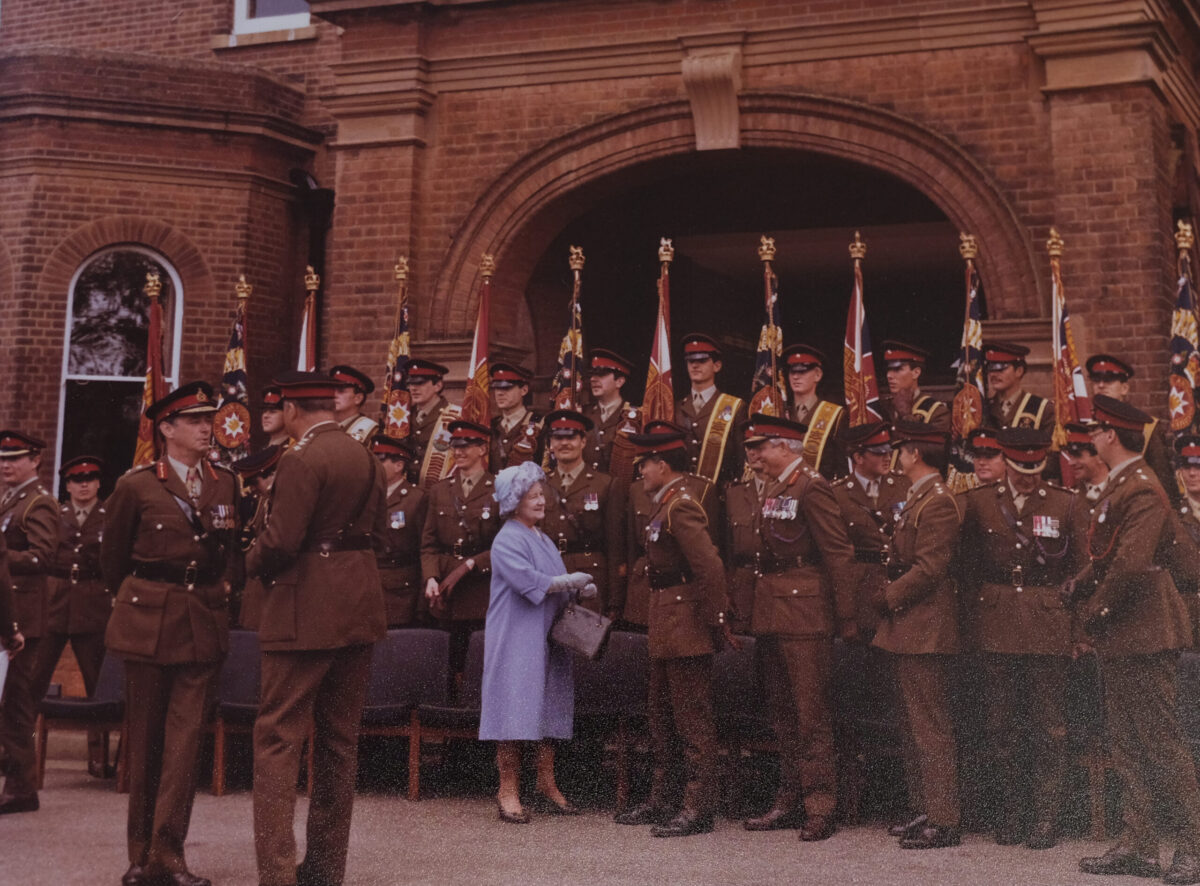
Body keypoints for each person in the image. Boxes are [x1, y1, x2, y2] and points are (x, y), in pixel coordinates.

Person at [244, 370, 387, 886]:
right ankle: (326, 871)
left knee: (278, 738)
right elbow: (379, 532)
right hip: (360, 605)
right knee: (339, 743)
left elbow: (281, 541)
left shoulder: (300, 459)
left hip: (305, 609)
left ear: (290, 409)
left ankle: (278, 874)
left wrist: (247, 563)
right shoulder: (365, 455)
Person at [101, 382, 237, 886]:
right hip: (148, 621)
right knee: (147, 744)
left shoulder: (226, 482)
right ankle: (139, 856)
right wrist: (145, 598)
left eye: (210, 419)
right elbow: (112, 562)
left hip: (202, 618)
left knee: (184, 746)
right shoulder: (136, 485)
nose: (207, 428)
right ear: (166, 429)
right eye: (195, 420)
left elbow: (231, 558)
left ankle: (169, 855)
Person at [1069, 395, 1200, 884]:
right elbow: (1109, 555)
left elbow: (1129, 563)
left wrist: (1094, 612)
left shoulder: (1140, 487)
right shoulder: (1123, 485)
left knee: (1162, 745)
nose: (1091, 440)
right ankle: (1138, 845)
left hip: (1144, 630)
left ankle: (1193, 847)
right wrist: (1081, 583)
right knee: (1128, 745)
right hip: (1128, 632)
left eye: (1096, 432)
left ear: (1108, 436)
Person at [958, 428, 1084, 849]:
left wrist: (1079, 631)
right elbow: (966, 566)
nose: (1028, 476)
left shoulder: (1065, 503)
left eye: (1035, 467)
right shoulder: (978, 502)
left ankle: (1048, 816)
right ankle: (1011, 813)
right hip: (995, 621)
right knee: (1001, 725)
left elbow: (1082, 570)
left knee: (1051, 728)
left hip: (1048, 621)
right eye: (1020, 467)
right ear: (1006, 462)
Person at [739, 413, 857, 841]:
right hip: (773, 612)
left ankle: (821, 806)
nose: (755, 455)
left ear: (786, 446)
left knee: (810, 716)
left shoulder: (811, 485)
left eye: (762, 446)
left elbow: (838, 554)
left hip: (806, 615)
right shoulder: (773, 487)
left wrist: (846, 618)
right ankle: (789, 799)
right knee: (783, 715)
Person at [613, 423, 733, 838]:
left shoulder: (681, 505)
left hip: (685, 625)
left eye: (644, 464)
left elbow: (710, 566)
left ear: (662, 465)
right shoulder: (663, 503)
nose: (641, 472)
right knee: (661, 718)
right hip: (665, 620)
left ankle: (697, 807)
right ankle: (662, 799)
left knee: (692, 721)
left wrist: (716, 620)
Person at [480, 460, 595, 823]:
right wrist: (569, 581)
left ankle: (547, 784)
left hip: (545, 635)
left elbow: (557, 582)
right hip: (516, 635)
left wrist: (579, 589)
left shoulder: (542, 538)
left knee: (548, 705)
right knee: (513, 706)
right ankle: (507, 790)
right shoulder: (507, 539)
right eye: (531, 495)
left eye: (541, 493)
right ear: (514, 501)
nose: (540, 500)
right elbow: (532, 582)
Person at [872, 422, 963, 850]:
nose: (896, 456)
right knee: (912, 724)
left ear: (914, 453)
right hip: (909, 624)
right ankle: (924, 806)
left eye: (900, 450)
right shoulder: (920, 498)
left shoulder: (938, 501)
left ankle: (944, 817)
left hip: (925, 623)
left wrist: (887, 597)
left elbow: (930, 568)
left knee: (929, 725)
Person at [30, 455, 113, 778]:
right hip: (55, 600)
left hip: (93, 603)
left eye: (90, 478)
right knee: (34, 681)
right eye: (77, 480)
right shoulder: (55, 514)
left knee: (97, 683)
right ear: (66, 486)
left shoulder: (109, 515)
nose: (83, 484)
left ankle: (98, 756)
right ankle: (22, 754)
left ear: (98, 483)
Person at [0, 430, 59, 815]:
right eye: (3, 460)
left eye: (15, 458)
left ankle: (22, 786)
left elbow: (43, 558)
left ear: (35, 460)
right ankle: (18, 778)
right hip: (7, 610)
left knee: (17, 702)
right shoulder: (9, 501)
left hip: (24, 616)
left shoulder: (39, 504)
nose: (6, 465)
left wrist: (3, 554)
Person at [421, 420, 500, 670]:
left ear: (482, 449)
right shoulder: (440, 491)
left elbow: (507, 545)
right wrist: (431, 577)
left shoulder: (498, 488)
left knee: (479, 662)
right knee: (447, 664)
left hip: (480, 589)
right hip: (447, 592)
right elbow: (429, 543)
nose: (459, 452)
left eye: (466, 446)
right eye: (455, 446)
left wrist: (472, 563)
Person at [540, 409, 625, 619]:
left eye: (571, 437)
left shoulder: (605, 484)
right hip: (550, 575)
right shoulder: (540, 485)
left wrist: (614, 600)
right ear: (550, 444)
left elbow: (615, 544)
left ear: (583, 442)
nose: (564, 443)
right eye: (558, 438)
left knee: (586, 646)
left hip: (590, 579)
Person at [830, 421, 910, 640]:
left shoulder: (904, 485)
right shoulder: (837, 495)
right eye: (879, 453)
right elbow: (840, 557)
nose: (887, 457)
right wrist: (847, 615)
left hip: (899, 585)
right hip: (863, 589)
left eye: (888, 452)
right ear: (858, 457)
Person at [1085, 354, 1176, 499]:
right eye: (1096, 380)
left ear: (1124, 388)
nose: (1101, 385)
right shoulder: (1083, 424)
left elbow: (1163, 480)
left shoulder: (1146, 427)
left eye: (1109, 380)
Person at [371, 434, 428, 627]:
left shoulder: (416, 499)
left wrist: (422, 603)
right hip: (370, 590)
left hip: (401, 595)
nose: (374, 465)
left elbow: (425, 550)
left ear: (398, 465)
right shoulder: (367, 496)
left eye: (380, 460)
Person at [675, 333, 746, 486]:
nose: (695, 365)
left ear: (717, 366)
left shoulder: (734, 407)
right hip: (682, 490)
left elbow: (741, 459)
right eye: (690, 361)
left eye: (702, 360)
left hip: (718, 494)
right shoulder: (677, 407)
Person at [230, 445, 283, 630]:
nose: (253, 489)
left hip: (274, 591)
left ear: (272, 476)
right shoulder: (264, 500)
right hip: (258, 591)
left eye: (255, 482)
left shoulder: (280, 501)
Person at [781, 344, 846, 480]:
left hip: (819, 493)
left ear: (817, 375)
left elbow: (841, 466)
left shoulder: (834, 415)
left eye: (802, 372)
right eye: (792, 372)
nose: (796, 377)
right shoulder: (780, 411)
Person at [582, 348, 642, 479]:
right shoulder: (584, 414)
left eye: (601, 374)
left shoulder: (636, 417)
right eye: (592, 375)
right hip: (589, 492)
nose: (593, 379)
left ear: (619, 381)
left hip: (621, 493)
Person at [405, 359, 461, 487]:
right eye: (411, 384)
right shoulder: (404, 416)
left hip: (440, 491)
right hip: (407, 494)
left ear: (438, 386)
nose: (413, 388)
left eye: (420, 383)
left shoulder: (455, 416)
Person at [983, 341, 1054, 430]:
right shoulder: (983, 409)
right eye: (991, 369)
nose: (993, 374)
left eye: (1001, 369)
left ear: (1019, 371)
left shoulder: (1042, 409)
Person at [881, 341, 951, 432]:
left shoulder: (937, 412)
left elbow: (923, 445)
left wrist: (906, 415)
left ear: (916, 373)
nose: (889, 375)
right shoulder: (882, 407)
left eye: (897, 369)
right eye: (889, 370)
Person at [489, 362, 542, 471]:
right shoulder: (491, 425)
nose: (499, 393)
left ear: (524, 390)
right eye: (496, 388)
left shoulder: (540, 423)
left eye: (506, 388)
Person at [328, 364, 380, 445]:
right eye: (332, 390)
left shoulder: (371, 433)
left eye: (341, 391)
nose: (334, 395)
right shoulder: (326, 427)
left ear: (358, 398)